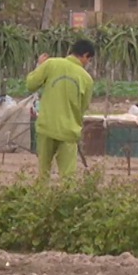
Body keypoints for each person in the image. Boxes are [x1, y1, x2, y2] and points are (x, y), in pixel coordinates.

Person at [26, 39, 95, 182]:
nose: (87, 63)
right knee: (68, 177)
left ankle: (40, 201)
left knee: (43, 173)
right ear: (85, 55)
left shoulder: (51, 64)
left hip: (46, 127)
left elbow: (31, 84)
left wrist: (39, 65)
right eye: (89, 59)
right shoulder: (86, 79)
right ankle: (64, 202)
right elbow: (83, 107)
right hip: (69, 131)